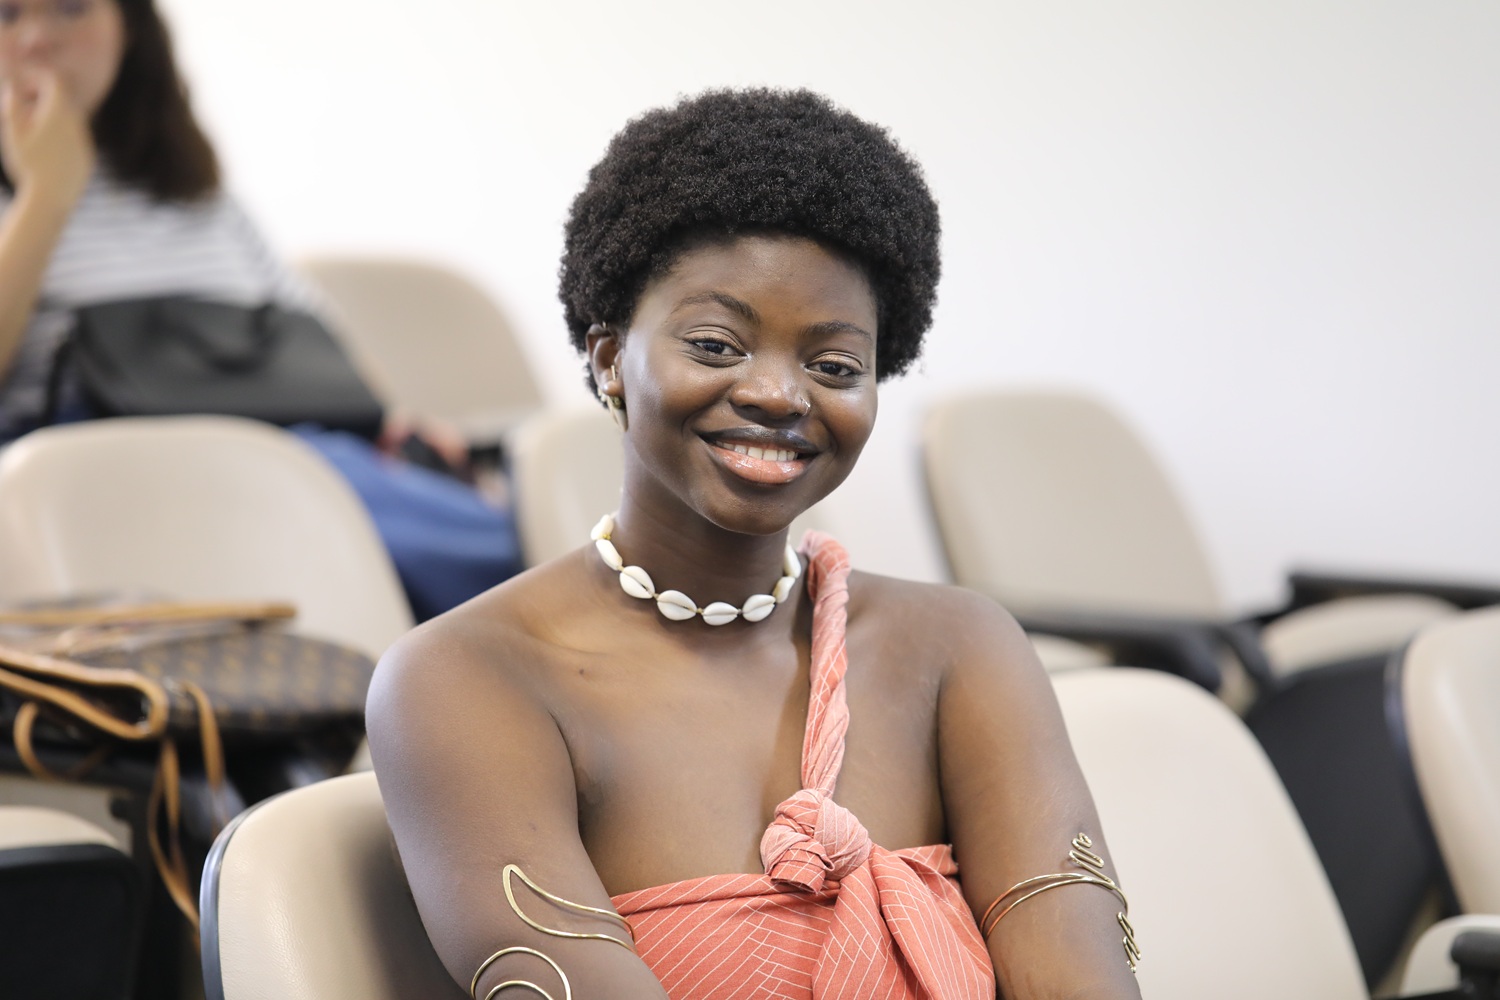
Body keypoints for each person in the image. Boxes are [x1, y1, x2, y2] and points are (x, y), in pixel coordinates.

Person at [369, 89, 1143, 999]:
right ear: (611, 356)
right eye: (716, 343)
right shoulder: (468, 680)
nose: (779, 393)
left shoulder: (961, 650)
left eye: (835, 366)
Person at [0, 0, 521, 620]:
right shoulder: (31, 195)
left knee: (463, 486)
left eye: (70, 9)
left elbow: (302, 329)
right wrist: (46, 193)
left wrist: (394, 421)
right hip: (114, 465)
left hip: (271, 436)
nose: (36, 39)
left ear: (128, 28)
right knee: (349, 493)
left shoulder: (197, 193)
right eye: (7, 15)